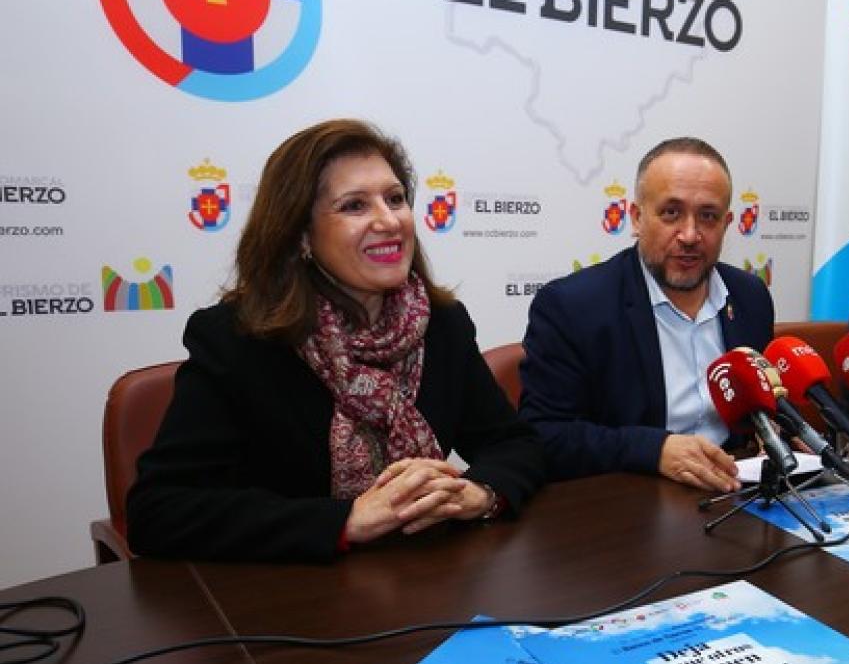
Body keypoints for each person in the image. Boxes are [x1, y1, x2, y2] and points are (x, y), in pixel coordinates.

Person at [127, 119, 544, 561]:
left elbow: (515, 444)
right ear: (301, 236)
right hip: (290, 601)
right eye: (354, 206)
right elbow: (159, 511)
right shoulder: (237, 340)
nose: (388, 220)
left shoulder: (441, 323)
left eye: (395, 199)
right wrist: (345, 520)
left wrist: (479, 493)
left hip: (427, 581)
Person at [518, 137, 773, 493]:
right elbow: (542, 436)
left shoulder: (750, 297)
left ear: (727, 224)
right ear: (636, 218)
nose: (689, 235)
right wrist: (653, 450)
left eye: (708, 216)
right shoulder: (573, 307)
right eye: (671, 212)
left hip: (733, 497)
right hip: (630, 505)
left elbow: (758, 408)